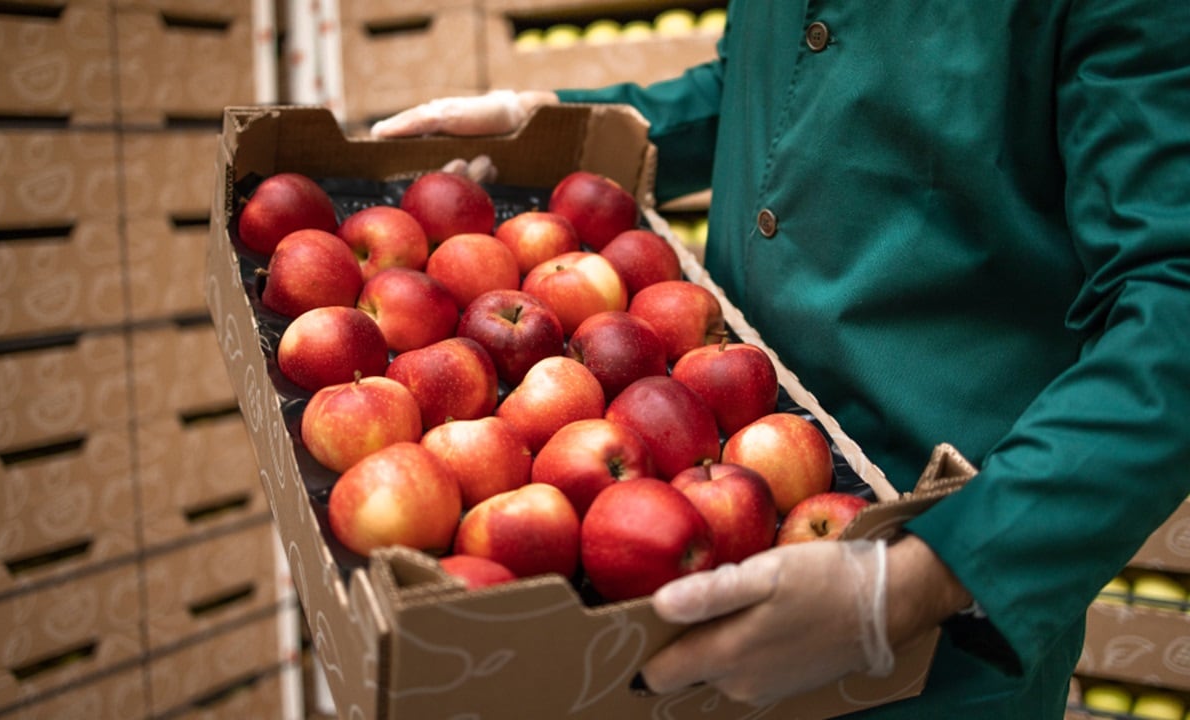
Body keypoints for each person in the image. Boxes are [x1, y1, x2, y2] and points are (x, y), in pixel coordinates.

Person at [370, 2, 1190, 717]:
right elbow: (784, 92)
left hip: (931, 622)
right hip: (686, 516)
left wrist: (915, 584)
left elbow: (1175, 301)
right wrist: (571, 119)